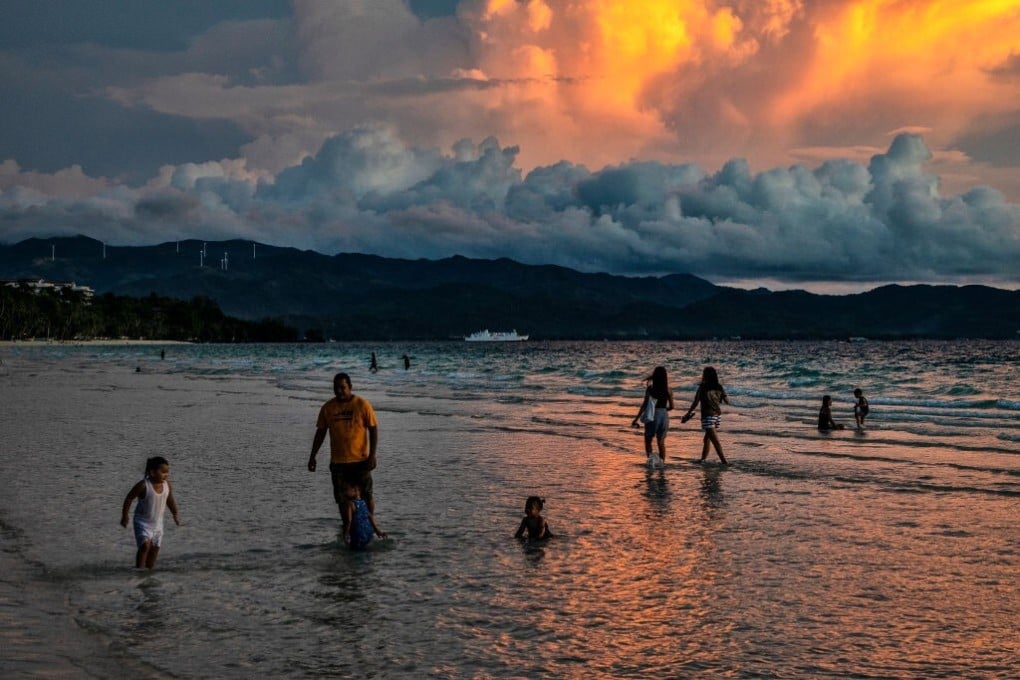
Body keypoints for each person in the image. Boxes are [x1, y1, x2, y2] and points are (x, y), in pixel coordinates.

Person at [309, 373, 379, 529]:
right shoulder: (328, 408)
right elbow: (320, 432)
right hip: (338, 462)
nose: (339, 391)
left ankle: (369, 523)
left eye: (342, 387)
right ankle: (347, 526)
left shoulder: (362, 404)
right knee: (342, 499)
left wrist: (372, 456)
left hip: (361, 461)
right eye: (336, 388)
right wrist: (312, 456)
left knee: (367, 494)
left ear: (350, 387)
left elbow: (373, 430)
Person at [120, 456, 180, 569]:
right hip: (142, 522)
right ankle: (139, 569)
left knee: (155, 548)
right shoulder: (143, 485)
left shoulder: (167, 485)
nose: (166, 475)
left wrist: (175, 513)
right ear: (152, 472)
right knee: (144, 546)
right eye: (163, 472)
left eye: (167, 472)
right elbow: (129, 498)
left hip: (158, 524)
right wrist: (125, 516)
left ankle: (149, 570)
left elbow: (169, 499)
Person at [685, 366, 730, 464]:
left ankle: (724, 462)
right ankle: (703, 460)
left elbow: (696, 402)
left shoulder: (703, 387)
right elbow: (727, 401)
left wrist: (688, 413)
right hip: (717, 416)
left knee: (714, 441)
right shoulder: (719, 387)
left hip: (707, 416)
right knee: (707, 438)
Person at [631, 366, 674, 466]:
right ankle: (662, 463)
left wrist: (636, 419)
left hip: (653, 415)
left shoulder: (650, 389)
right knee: (661, 442)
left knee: (648, 439)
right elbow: (672, 407)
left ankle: (651, 463)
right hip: (664, 416)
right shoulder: (669, 390)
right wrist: (663, 410)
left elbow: (644, 405)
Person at [339, 480, 386, 549]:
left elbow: (349, 520)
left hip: (357, 533)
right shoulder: (363, 502)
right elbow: (370, 516)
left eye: (346, 490)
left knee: (354, 551)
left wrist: (346, 533)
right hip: (368, 532)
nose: (344, 492)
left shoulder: (350, 504)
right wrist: (377, 531)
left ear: (355, 490)